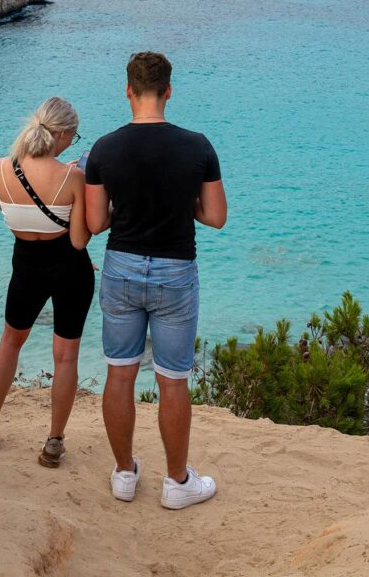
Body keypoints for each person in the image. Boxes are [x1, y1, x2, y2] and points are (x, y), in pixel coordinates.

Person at [85, 52, 227, 509]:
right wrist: (176, 201)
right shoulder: (198, 146)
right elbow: (216, 216)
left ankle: (125, 474)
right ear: (169, 91)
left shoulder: (104, 149)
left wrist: (130, 205)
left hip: (121, 267)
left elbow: (95, 222)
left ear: (128, 90)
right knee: (173, 380)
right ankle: (176, 482)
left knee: (120, 374)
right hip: (175, 274)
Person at [0, 97, 94, 467]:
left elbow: (18, 220)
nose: (72, 143)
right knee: (65, 355)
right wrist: (78, 182)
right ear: (60, 134)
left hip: (26, 266)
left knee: (10, 342)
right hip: (70, 269)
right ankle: (54, 442)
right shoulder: (72, 177)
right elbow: (78, 240)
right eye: (72, 138)